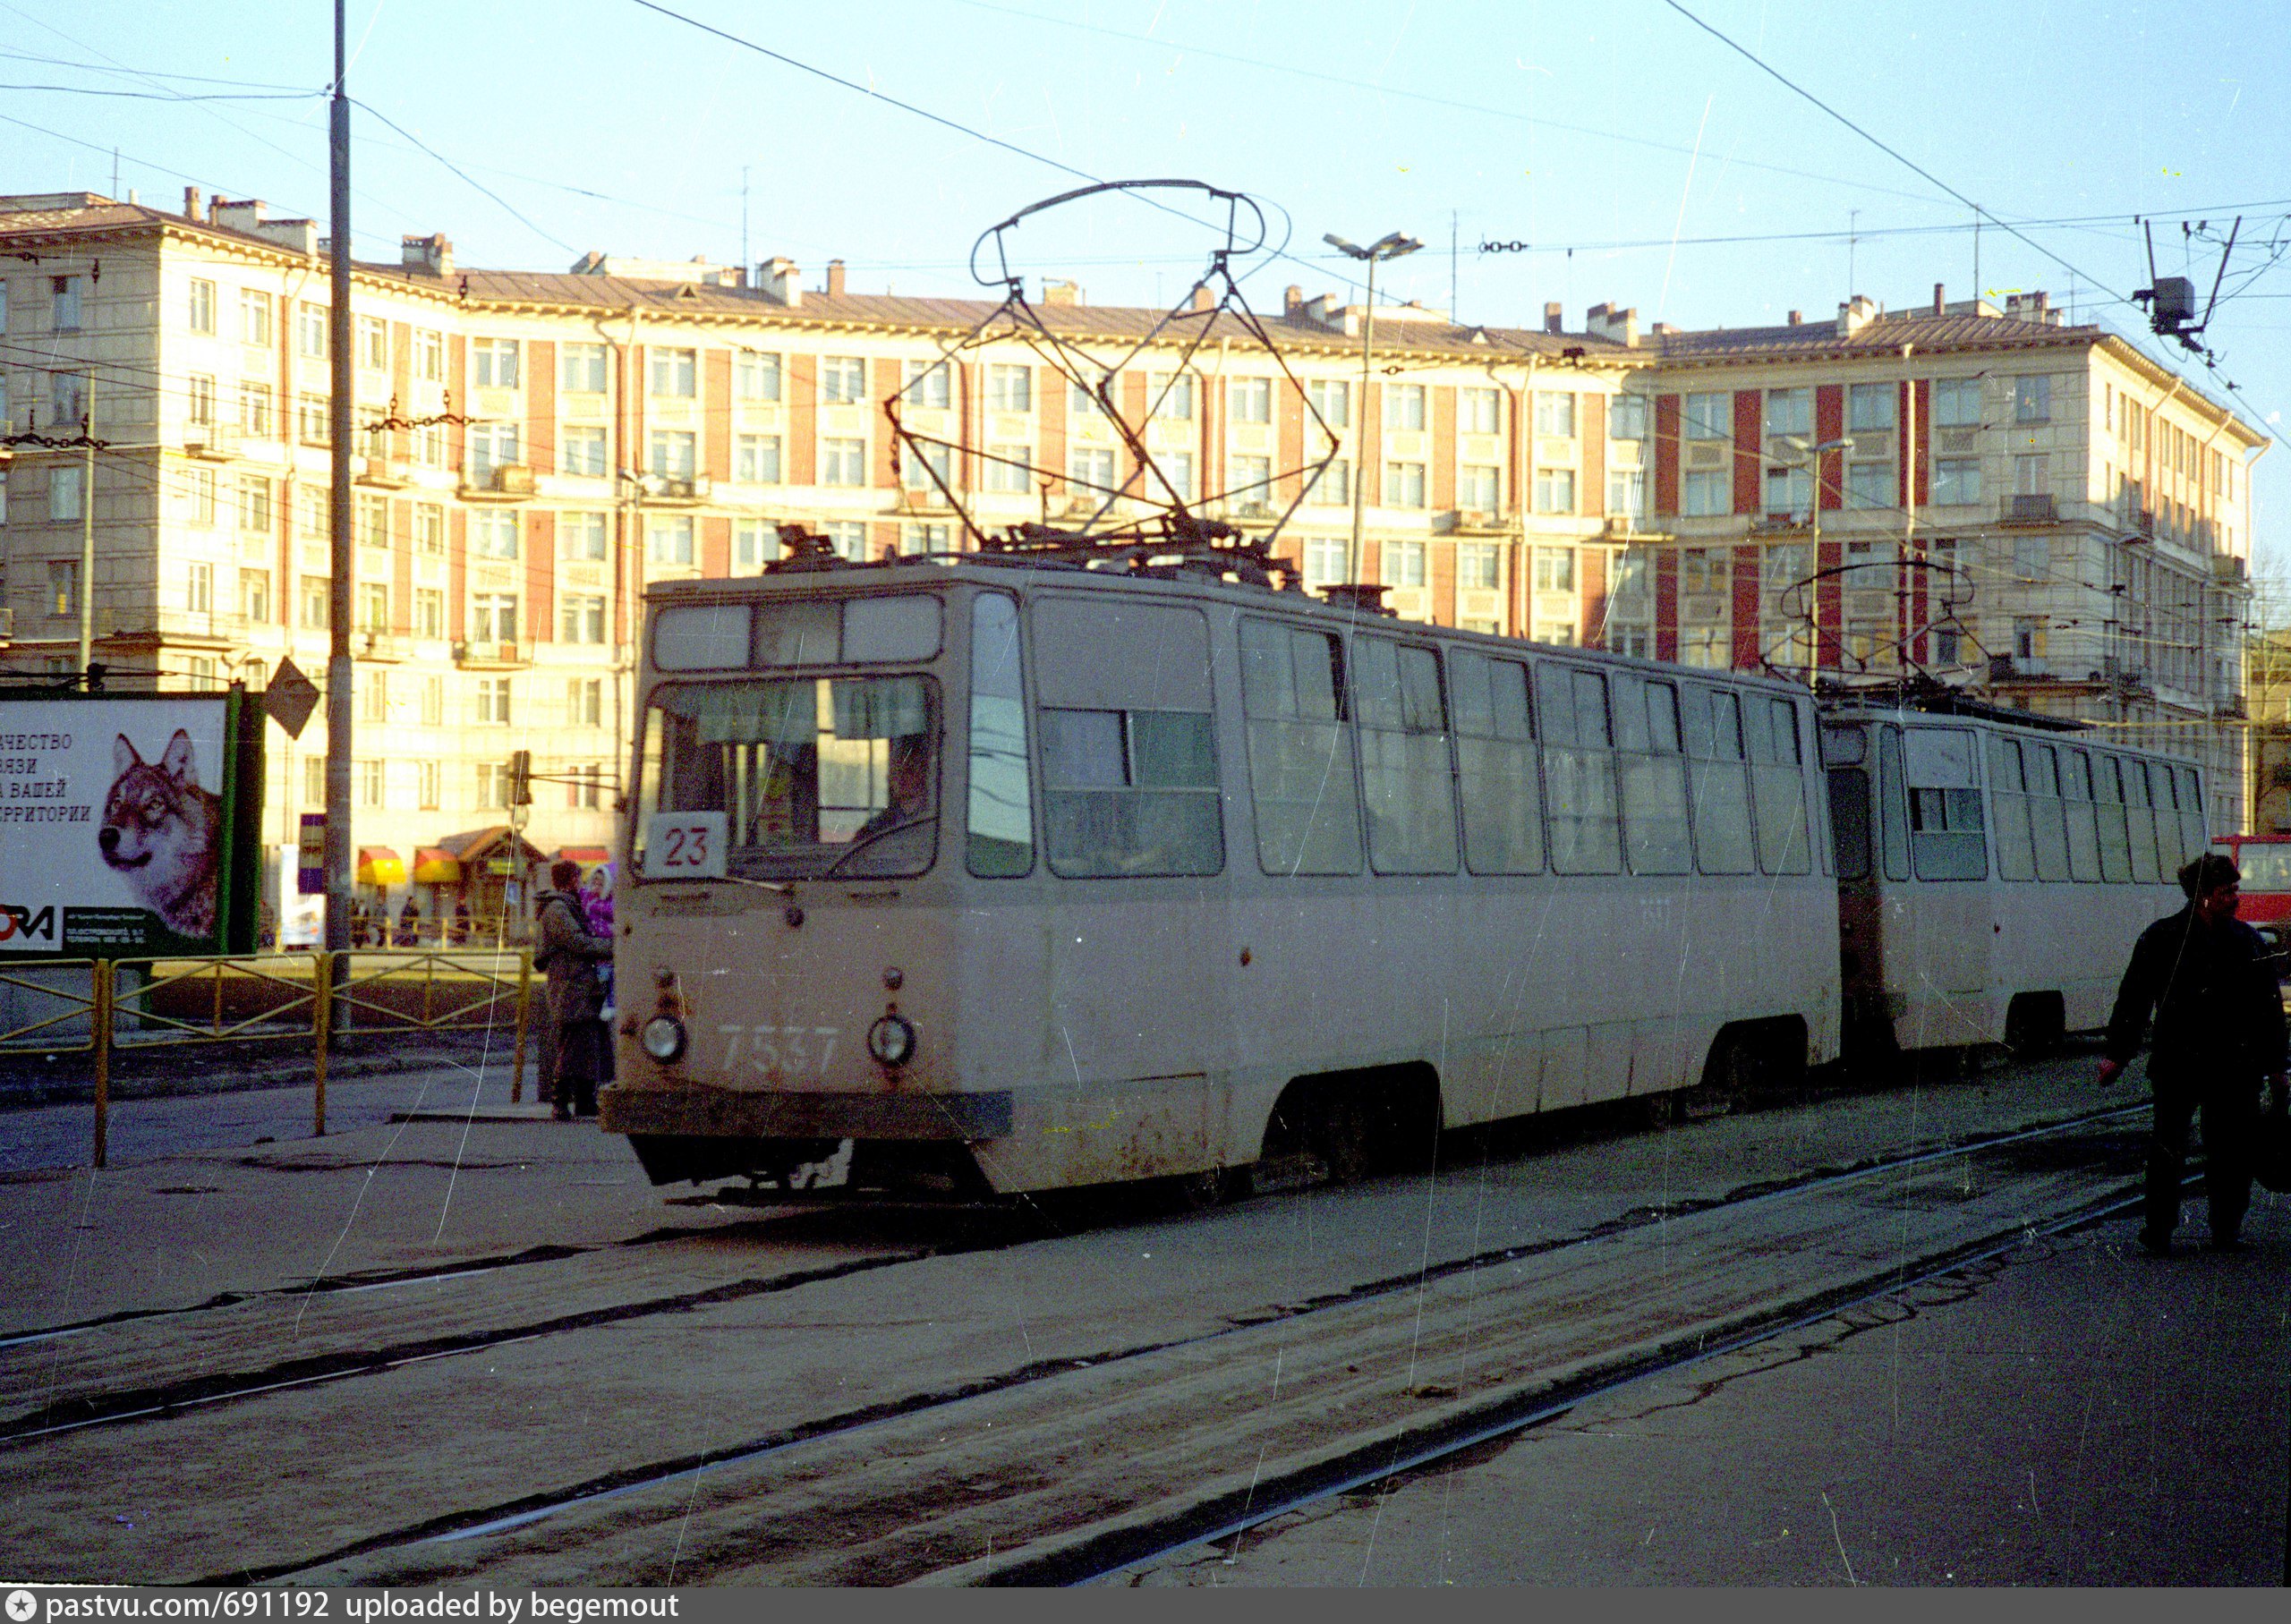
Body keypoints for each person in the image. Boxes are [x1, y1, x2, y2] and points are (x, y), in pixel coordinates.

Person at [2100, 851, 2289, 1254]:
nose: (2234, 898)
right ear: (2202, 895)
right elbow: (2134, 998)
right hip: (2179, 1060)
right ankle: (2159, 1230)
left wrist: (2277, 1065)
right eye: (2226, 891)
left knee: (2231, 1150)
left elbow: (2268, 1007)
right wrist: (2117, 1053)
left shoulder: (2247, 940)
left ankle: (2226, 1228)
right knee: (2169, 1148)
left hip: (2235, 1064)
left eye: (2235, 890)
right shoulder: (2162, 937)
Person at [534, 858, 614, 1119]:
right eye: (578, 878)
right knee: (571, 1046)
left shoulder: (568, 905)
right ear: (570, 880)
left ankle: (584, 1101)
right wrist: (613, 947)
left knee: (585, 1047)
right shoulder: (557, 909)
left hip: (579, 985)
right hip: (569, 987)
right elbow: (577, 942)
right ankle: (559, 1102)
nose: (581, 883)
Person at [855, 735, 933, 841]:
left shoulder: (932, 818)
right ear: (889, 777)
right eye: (896, 771)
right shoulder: (878, 826)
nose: (901, 778)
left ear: (923, 774)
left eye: (909, 771)